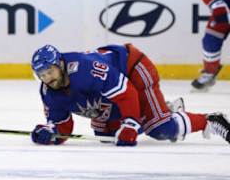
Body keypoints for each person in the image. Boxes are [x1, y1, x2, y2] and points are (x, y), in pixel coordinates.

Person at [30, 44, 230, 146]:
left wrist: (131, 125)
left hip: (133, 69)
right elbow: (63, 126)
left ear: (61, 65)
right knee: (107, 136)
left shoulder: (85, 70)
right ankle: (161, 110)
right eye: (42, 75)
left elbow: (126, 94)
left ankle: (210, 120)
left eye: (50, 71)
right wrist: (51, 133)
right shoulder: (49, 92)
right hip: (116, 89)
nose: (48, 78)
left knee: (160, 129)